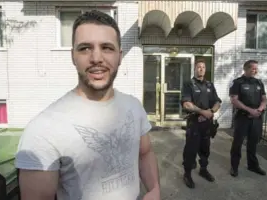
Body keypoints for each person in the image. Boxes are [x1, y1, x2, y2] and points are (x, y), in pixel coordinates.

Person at [15, 10, 160, 200]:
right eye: (85, 48)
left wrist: (154, 189)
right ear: (73, 56)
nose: (96, 58)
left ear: (120, 56)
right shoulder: (42, 130)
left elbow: (145, 153)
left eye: (107, 47)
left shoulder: (133, 106)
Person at [181, 59, 222, 188]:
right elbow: (186, 104)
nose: (201, 69)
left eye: (203, 67)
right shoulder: (189, 84)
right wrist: (202, 112)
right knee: (191, 150)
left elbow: (217, 102)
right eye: (199, 67)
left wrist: (210, 111)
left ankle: (203, 170)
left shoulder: (210, 85)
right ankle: (187, 174)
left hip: (207, 124)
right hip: (194, 123)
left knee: (205, 148)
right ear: (195, 68)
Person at [229, 60, 267, 177]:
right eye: (253, 68)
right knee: (237, 143)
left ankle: (253, 166)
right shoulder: (237, 83)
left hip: (256, 118)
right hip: (242, 118)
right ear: (246, 69)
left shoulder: (259, 83)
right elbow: (234, 100)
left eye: (256, 68)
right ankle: (234, 167)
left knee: (253, 143)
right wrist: (250, 111)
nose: (256, 71)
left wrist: (259, 110)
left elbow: (264, 100)